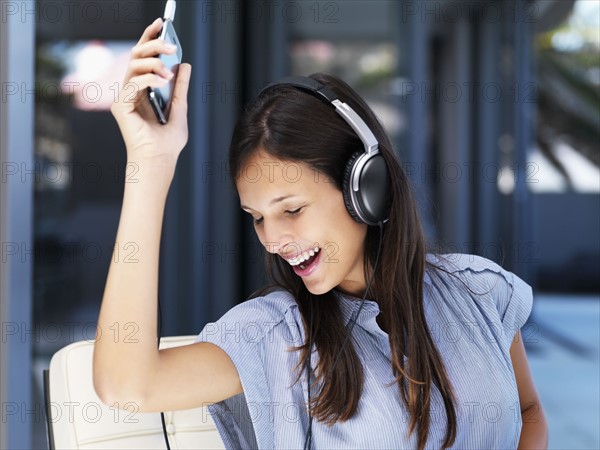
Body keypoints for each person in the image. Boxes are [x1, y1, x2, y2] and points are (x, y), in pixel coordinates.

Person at [93, 18, 548, 449]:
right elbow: (127, 388)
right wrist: (149, 167)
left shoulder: (480, 291)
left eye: (291, 209)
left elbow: (528, 409)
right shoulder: (276, 334)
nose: (273, 238)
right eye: (257, 217)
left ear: (366, 187)